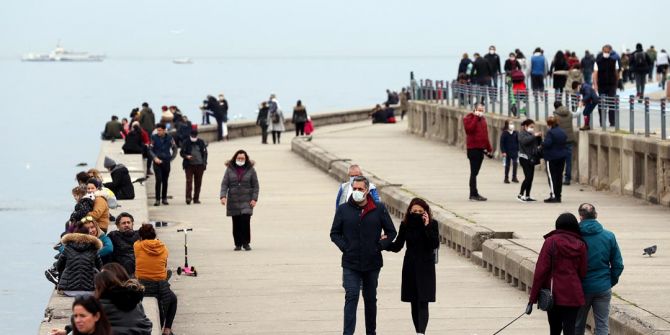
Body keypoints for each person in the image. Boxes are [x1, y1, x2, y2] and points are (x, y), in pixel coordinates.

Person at [330, 175, 397, 335]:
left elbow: (391, 232)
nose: (357, 191)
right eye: (355, 189)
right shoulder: (343, 209)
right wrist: (345, 247)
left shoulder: (378, 208)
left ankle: (371, 332)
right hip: (350, 262)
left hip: (372, 263)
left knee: (370, 299)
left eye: (360, 189)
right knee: (351, 296)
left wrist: (379, 246)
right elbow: (334, 233)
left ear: (367, 190)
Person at [526, 213, 588, 335]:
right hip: (574, 294)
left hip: (555, 295)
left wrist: (532, 300)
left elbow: (540, 271)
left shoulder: (551, 242)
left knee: (554, 329)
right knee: (570, 329)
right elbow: (583, 271)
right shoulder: (581, 244)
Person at [388, 198, 439, 335]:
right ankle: (418, 331)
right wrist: (383, 244)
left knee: (423, 301)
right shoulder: (405, 225)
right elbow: (398, 246)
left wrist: (427, 226)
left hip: (426, 267)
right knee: (413, 301)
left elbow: (434, 244)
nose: (416, 213)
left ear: (426, 212)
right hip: (410, 266)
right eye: (414, 211)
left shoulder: (433, 224)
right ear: (409, 211)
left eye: (420, 211)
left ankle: (421, 332)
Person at [575, 203, 624, 335]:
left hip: (581, 288)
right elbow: (618, 264)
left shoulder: (574, 238)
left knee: (577, 324)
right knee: (602, 325)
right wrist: (609, 282)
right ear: (596, 215)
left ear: (580, 217)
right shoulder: (608, 236)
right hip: (602, 286)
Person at [134, 224, 178, 335]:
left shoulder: (137, 246)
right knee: (173, 300)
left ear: (141, 237)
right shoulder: (163, 247)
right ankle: (167, 329)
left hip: (143, 284)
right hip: (160, 285)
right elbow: (164, 264)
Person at [220, 150, 260, 251]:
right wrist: (223, 196)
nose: (240, 160)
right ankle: (238, 243)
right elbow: (224, 184)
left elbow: (256, 186)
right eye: (239, 158)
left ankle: (246, 243)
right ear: (235, 158)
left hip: (247, 200)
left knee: (245, 221)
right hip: (234, 200)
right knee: (236, 222)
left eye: (242, 158)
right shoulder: (230, 169)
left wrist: (254, 199)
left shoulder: (251, 170)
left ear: (246, 159)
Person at [56, 224, 103, 294]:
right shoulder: (93, 249)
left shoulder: (67, 248)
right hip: (90, 290)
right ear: (88, 235)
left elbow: (58, 267)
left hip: (68, 290)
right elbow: (100, 267)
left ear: (74, 235)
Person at [463, 103, 493, 201]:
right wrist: (475, 117)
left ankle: (475, 193)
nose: (481, 112)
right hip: (473, 149)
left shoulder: (483, 120)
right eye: (479, 110)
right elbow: (469, 130)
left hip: (481, 149)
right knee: (474, 172)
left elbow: (485, 135)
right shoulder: (468, 118)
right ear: (474, 109)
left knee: (475, 172)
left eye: (482, 110)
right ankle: (473, 194)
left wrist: (489, 148)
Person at [149, 123, 177, 206]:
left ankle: (164, 198)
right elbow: (150, 149)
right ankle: (157, 199)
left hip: (166, 162)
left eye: (160, 130)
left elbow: (175, 148)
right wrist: (154, 158)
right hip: (157, 161)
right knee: (158, 180)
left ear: (164, 130)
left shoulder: (170, 138)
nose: (158, 132)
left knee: (165, 181)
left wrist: (171, 158)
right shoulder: (154, 137)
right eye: (157, 130)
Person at [542, 116, 568, 203]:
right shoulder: (562, 131)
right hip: (562, 156)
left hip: (551, 157)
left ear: (549, 124)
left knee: (551, 177)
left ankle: (553, 195)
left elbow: (547, 144)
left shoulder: (550, 133)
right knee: (559, 176)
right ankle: (558, 195)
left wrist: (542, 142)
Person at [593, 44, 620, 127]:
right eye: (605, 51)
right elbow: (595, 74)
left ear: (610, 51)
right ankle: (602, 121)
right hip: (601, 85)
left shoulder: (614, 61)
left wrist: (616, 83)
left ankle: (612, 122)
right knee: (601, 104)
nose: (606, 53)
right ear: (602, 51)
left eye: (608, 51)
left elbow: (616, 73)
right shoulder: (598, 62)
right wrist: (595, 85)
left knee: (612, 103)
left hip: (611, 85)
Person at [553, 101, 579, 184]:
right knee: (568, 160)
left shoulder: (555, 116)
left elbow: (553, 129)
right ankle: (567, 178)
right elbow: (577, 114)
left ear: (555, 107)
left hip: (560, 141)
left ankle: (558, 177)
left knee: (559, 160)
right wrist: (580, 107)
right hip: (569, 140)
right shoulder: (569, 113)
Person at [180, 129, 208, 205]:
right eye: (192, 136)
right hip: (189, 165)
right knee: (189, 181)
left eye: (195, 136)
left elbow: (205, 153)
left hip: (200, 165)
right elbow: (181, 153)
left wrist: (204, 163)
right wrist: (186, 156)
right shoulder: (186, 142)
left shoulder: (201, 142)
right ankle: (188, 198)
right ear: (190, 135)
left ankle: (196, 198)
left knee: (198, 182)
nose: (193, 137)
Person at [517, 119, 542, 202]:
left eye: (533, 127)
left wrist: (539, 137)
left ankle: (527, 195)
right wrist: (534, 135)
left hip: (531, 158)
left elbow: (537, 144)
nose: (532, 129)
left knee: (531, 178)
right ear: (525, 126)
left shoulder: (531, 134)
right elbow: (525, 141)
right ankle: (520, 194)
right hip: (524, 158)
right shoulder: (521, 134)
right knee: (528, 177)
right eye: (531, 127)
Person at [500, 120, 519, 184]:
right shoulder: (505, 133)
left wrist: (518, 150)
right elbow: (502, 143)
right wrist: (503, 152)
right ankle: (506, 178)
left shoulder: (515, 132)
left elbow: (518, 141)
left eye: (512, 123)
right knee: (507, 165)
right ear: (507, 125)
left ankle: (514, 177)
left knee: (515, 163)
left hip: (514, 151)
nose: (512, 125)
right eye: (510, 124)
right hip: (507, 152)